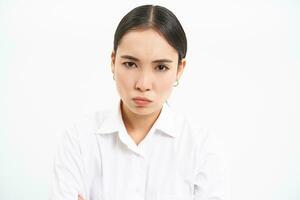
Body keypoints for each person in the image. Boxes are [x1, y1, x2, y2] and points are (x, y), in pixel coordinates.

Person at [50, 4, 228, 200]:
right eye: (130, 64)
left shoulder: (201, 147)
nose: (143, 84)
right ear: (113, 61)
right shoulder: (79, 140)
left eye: (160, 67)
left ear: (179, 69)